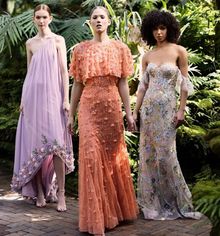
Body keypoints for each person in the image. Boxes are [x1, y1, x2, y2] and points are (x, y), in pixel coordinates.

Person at [68, 6, 138, 236]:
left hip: (111, 109)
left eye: (102, 17)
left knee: (111, 158)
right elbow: (77, 83)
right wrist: (71, 114)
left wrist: (129, 113)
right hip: (88, 108)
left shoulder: (120, 48)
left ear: (108, 22)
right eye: (94, 17)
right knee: (90, 158)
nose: (98, 20)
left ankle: (114, 212)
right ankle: (97, 216)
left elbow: (123, 84)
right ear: (90, 22)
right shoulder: (80, 50)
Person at [133, 10, 202, 220]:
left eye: (162, 28)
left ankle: (173, 201)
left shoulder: (179, 51)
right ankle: (151, 203)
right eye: (154, 29)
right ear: (149, 31)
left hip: (168, 112)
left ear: (169, 29)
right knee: (148, 156)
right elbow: (142, 88)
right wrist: (135, 112)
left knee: (166, 155)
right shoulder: (147, 56)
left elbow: (184, 85)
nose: (159, 33)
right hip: (148, 111)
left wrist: (181, 110)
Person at [11, 4, 74, 212]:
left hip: (54, 98)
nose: (41, 20)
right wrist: (23, 100)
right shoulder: (30, 43)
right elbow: (29, 74)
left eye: (44, 17)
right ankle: (39, 192)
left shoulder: (58, 40)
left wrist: (66, 99)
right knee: (35, 146)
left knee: (56, 146)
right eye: (37, 17)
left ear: (50, 18)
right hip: (33, 99)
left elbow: (65, 72)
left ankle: (61, 194)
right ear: (33, 19)